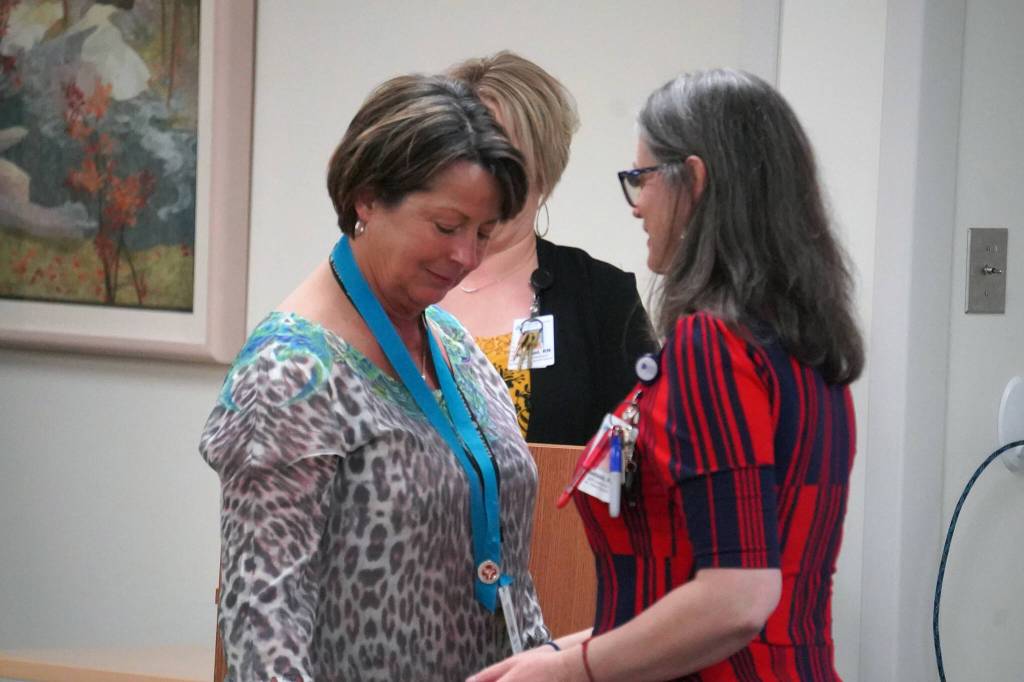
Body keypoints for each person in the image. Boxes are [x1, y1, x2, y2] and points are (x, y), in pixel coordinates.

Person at [469, 69, 864, 681]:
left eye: (641, 180)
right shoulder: (800, 340)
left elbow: (735, 597)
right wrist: (559, 654)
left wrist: (572, 672)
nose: (636, 207)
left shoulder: (714, 346)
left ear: (694, 180)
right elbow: (687, 584)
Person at [200, 73, 554, 681]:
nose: (466, 257)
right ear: (366, 199)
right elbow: (264, 617)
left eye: (483, 232)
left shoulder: (448, 340)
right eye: (446, 227)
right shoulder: (290, 372)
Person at [441, 51, 656, 445]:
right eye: (463, 152)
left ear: (544, 168)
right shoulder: (400, 284)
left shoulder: (601, 297)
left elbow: (637, 455)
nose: (480, 173)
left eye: (502, 155)